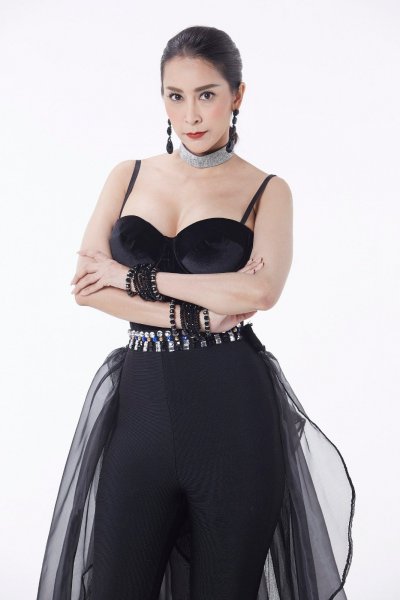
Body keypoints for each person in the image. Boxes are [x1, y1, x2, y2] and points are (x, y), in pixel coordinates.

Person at [36, 25, 356, 600]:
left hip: (233, 414)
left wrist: (136, 280)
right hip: (141, 410)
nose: (191, 114)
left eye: (207, 94)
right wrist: (193, 314)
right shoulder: (128, 175)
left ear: (237, 95)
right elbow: (86, 286)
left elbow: (261, 293)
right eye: (175, 95)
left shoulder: (267, 190)